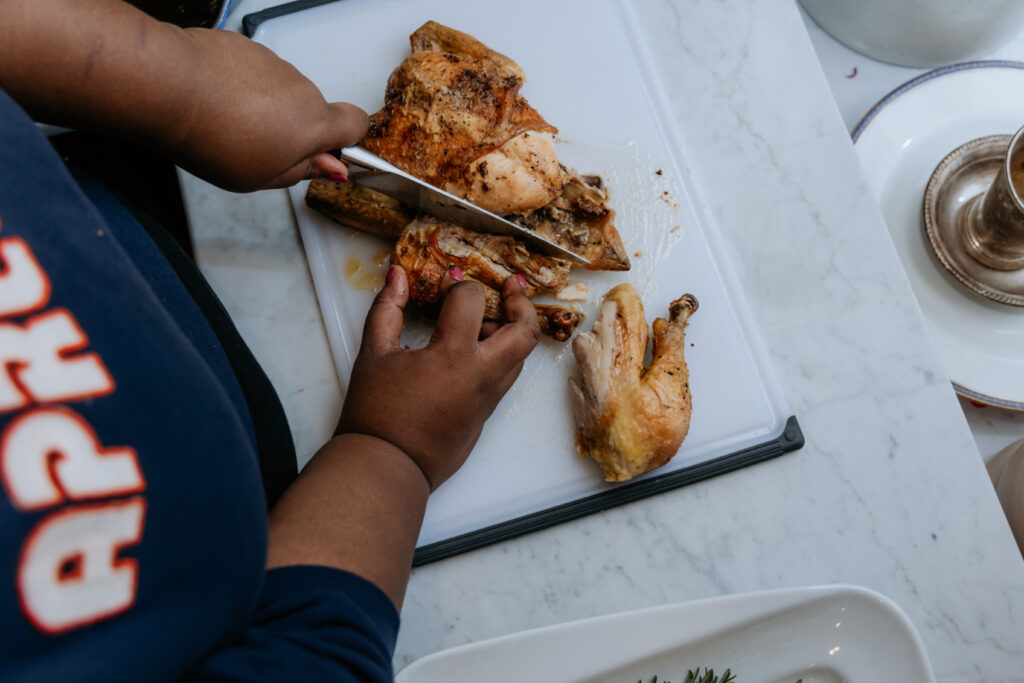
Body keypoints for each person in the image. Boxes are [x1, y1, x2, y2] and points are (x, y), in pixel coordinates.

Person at [0, 0, 542, 680]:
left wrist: (176, 82)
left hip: (99, 210)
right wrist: (394, 448)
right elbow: (313, 643)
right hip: (275, 500)